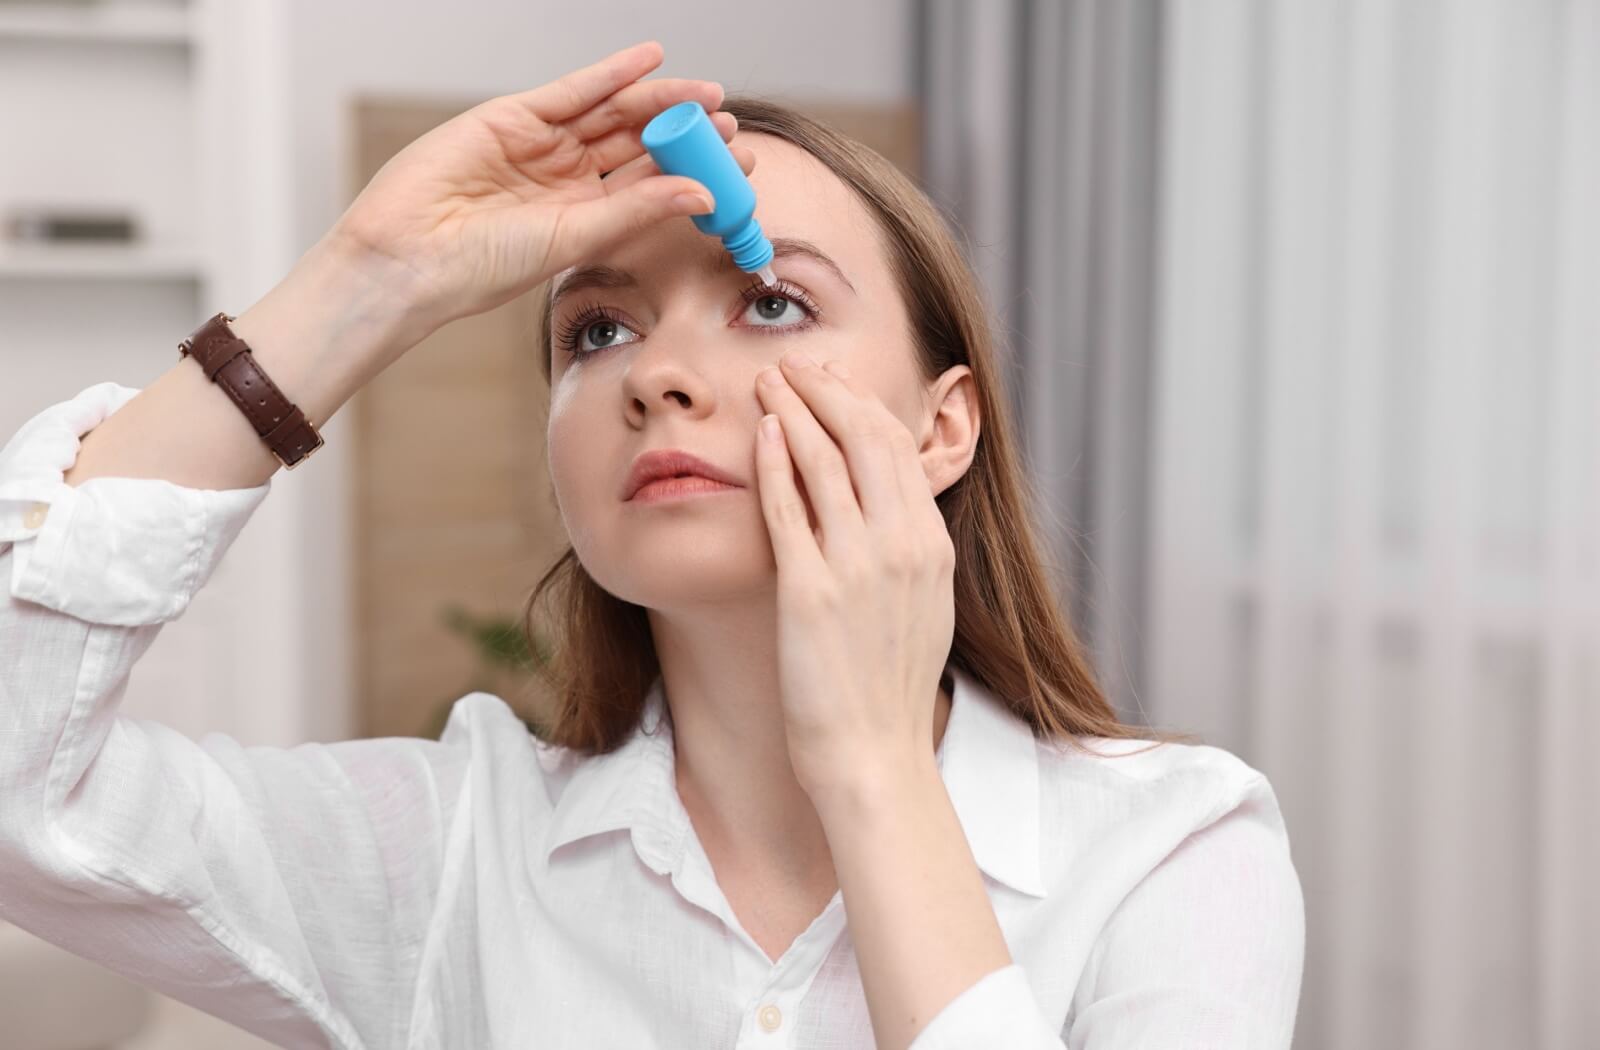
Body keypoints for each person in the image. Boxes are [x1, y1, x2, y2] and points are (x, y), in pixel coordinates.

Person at [0, 39, 1305, 1050]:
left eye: (773, 299)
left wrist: (875, 775)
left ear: (941, 426)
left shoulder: (1176, 852)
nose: (658, 375)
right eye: (598, 331)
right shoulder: (457, 854)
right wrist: (364, 279)